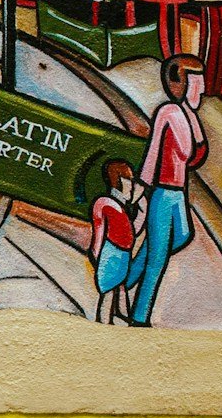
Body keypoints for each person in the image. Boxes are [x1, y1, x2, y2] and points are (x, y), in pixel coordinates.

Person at [124, 54, 207, 327]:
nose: (202, 88)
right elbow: (153, 152)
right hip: (161, 191)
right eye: (196, 82)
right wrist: (142, 187)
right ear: (179, 84)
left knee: (182, 235)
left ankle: (129, 275)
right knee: (157, 259)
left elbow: (198, 153)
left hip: (178, 193)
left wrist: (194, 120)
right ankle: (139, 316)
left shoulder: (188, 116)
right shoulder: (168, 113)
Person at [88, 160, 141, 324]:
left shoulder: (124, 207)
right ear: (117, 182)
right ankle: (104, 322)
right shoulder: (104, 203)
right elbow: (99, 230)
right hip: (111, 252)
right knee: (109, 289)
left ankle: (124, 317)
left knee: (121, 286)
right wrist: (96, 252)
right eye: (129, 182)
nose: (132, 186)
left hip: (123, 254)